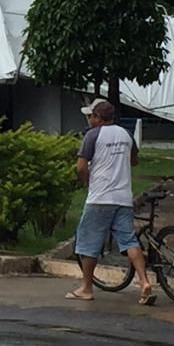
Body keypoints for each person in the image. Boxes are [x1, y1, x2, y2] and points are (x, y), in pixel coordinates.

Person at [67, 100, 155, 304]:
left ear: (98, 118)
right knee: (129, 240)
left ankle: (86, 288)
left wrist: (87, 181)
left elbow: (80, 167)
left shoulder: (92, 135)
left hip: (100, 197)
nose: (89, 119)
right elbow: (134, 160)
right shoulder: (126, 134)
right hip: (123, 197)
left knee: (89, 243)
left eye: (91, 116)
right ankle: (144, 282)